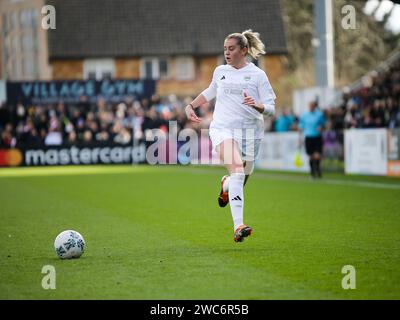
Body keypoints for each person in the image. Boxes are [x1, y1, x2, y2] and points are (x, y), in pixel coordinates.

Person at [185, 30, 276, 242]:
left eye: (232, 48)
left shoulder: (258, 75)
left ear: (244, 50)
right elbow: (210, 91)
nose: (227, 52)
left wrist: (259, 106)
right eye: (225, 48)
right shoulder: (220, 71)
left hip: (251, 132)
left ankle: (226, 185)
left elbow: (271, 107)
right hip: (222, 128)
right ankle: (238, 226)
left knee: (241, 177)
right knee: (237, 170)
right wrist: (191, 105)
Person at [299, 101, 326, 179]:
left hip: (317, 136)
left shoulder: (319, 114)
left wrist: (321, 127)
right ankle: (312, 172)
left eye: (312, 106)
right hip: (308, 137)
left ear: (315, 106)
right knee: (311, 156)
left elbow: (323, 123)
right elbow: (301, 125)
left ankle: (317, 170)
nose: (311, 107)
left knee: (317, 156)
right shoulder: (304, 115)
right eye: (310, 106)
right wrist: (300, 133)